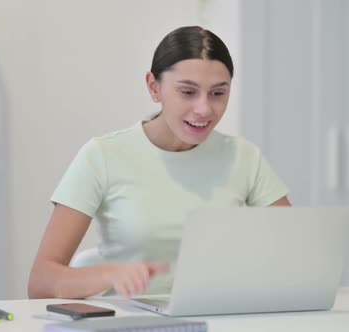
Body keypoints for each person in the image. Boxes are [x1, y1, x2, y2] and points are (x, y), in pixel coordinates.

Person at [28, 26, 291, 300]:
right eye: (188, 92)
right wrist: (109, 273)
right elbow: (41, 282)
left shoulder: (244, 157)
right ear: (154, 87)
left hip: (220, 316)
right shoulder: (103, 155)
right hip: (128, 323)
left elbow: (296, 254)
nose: (204, 109)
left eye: (217, 94)